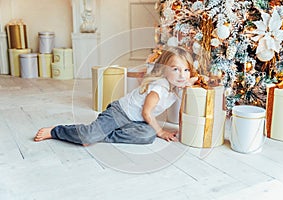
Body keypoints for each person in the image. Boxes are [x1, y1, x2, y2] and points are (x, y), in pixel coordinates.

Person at [34, 46, 198, 145]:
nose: (182, 75)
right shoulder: (160, 87)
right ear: (164, 70)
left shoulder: (177, 84)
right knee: (88, 136)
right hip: (119, 113)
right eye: (175, 69)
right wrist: (161, 132)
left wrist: (193, 79)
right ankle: (57, 131)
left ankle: (101, 135)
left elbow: (193, 79)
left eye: (185, 70)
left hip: (136, 121)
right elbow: (146, 113)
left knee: (147, 136)